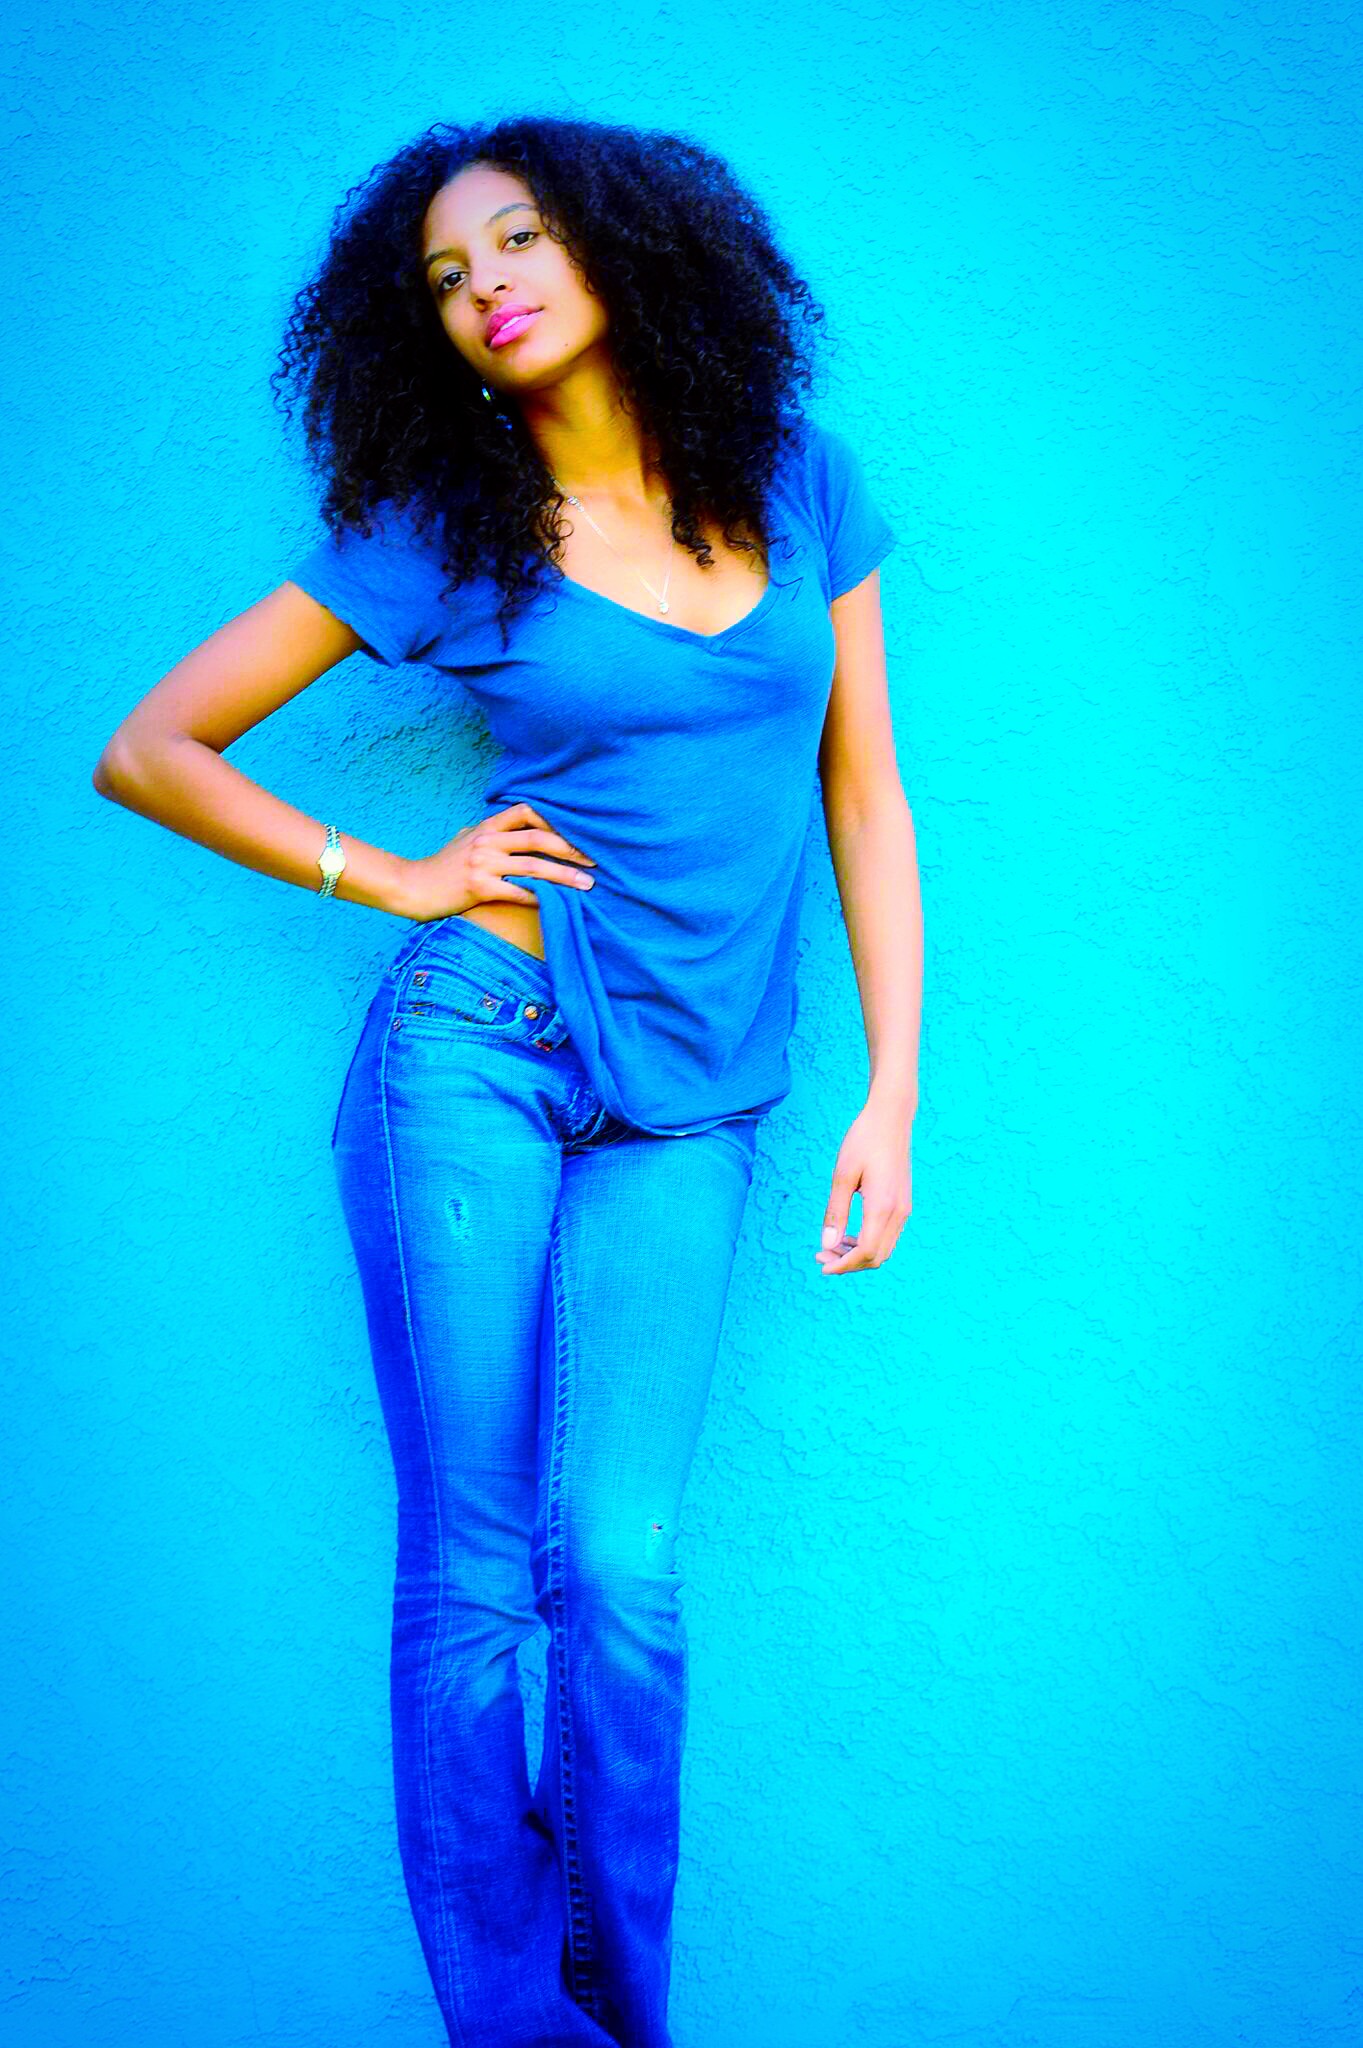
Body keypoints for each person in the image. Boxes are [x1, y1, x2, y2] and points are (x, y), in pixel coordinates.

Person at [92, 113, 923, 2048]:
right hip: (483, 1046)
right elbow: (152, 747)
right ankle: (517, 2033)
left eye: (521, 240)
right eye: (449, 278)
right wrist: (389, 873)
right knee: (474, 1570)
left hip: (699, 1099)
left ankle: (623, 2015)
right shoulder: (444, 529)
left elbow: (865, 792)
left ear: (626, 243)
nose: (489, 289)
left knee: (620, 1573)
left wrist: (891, 1094)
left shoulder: (800, 480)